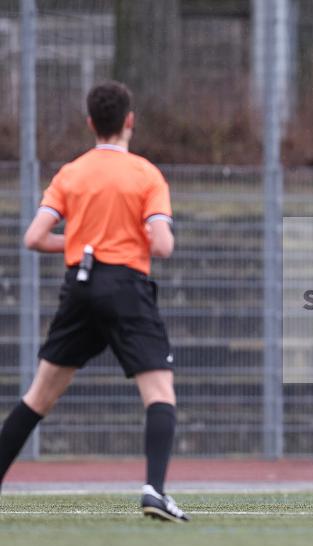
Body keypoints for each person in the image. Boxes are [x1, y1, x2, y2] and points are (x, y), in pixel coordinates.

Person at [0, 81, 189, 522]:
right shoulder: (145, 174)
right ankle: (154, 491)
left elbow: (33, 237)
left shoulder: (72, 173)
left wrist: (82, 242)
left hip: (80, 286)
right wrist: (132, 236)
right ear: (129, 120)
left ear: (90, 123)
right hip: (126, 287)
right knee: (160, 393)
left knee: (37, 398)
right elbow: (162, 246)